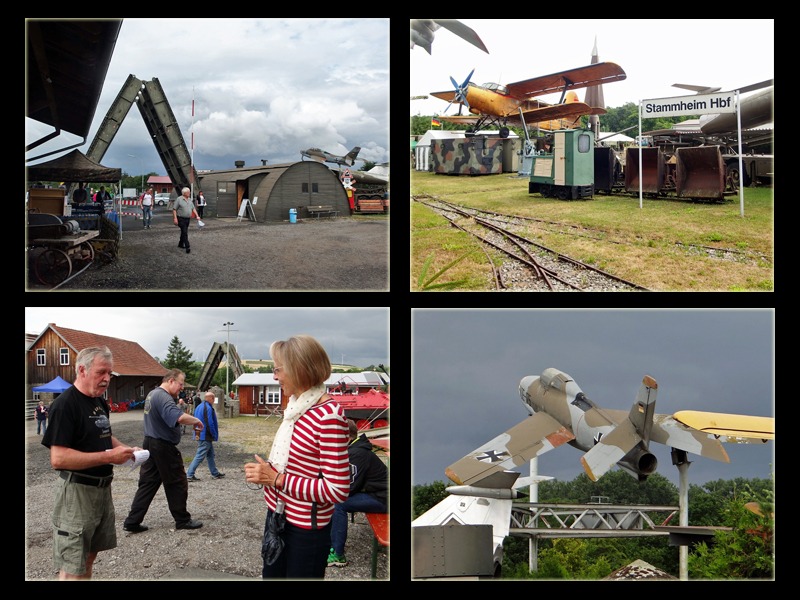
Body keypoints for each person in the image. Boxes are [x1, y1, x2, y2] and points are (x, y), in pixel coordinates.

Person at [244, 335, 350, 579]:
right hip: (278, 515)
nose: (274, 376)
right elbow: (299, 465)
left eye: (277, 369)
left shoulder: (328, 416)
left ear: (299, 369)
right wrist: (266, 474)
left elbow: (338, 490)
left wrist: (278, 479)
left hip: (305, 530)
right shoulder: (296, 408)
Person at [41, 346, 138, 580]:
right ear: (82, 370)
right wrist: (108, 457)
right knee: (73, 564)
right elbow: (58, 459)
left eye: (110, 373)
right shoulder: (65, 405)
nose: (107, 379)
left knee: (89, 557)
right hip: (77, 493)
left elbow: (104, 435)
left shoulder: (99, 402)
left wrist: (126, 449)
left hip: (102, 490)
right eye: (101, 372)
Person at [122, 369, 205, 533]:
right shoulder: (164, 396)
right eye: (180, 384)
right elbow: (179, 417)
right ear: (171, 380)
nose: (181, 388)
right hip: (163, 446)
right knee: (177, 482)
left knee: (148, 483)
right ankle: (182, 520)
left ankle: (132, 521)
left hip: (150, 443)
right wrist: (196, 420)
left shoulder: (152, 394)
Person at [327, 419, 388, 567]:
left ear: (346, 436)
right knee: (333, 499)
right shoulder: (355, 449)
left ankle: (338, 555)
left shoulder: (357, 454)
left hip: (382, 498)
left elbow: (350, 487)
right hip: (377, 493)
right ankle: (332, 542)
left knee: (339, 504)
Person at [187, 391, 225, 481]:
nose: (213, 401)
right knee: (200, 455)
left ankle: (214, 473)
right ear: (211, 398)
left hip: (199, 433)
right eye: (213, 398)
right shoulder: (207, 408)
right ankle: (189, 474)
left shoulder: (199, 406)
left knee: (210, 454)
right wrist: (214, 434)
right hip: (205, 435)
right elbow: (210, 423)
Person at [172, 187, 200, 254]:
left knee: (184, 231)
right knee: (184, 232)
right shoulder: (179, 199)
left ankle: (180, 244)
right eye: (188, 192)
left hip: (187, 219)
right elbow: (174, 209)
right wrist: (175, 218)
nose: (189, 193)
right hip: (181, 218)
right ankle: (187, 247)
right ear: (184, 193)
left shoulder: (190, 200)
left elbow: (193, 208)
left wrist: (197, 215)